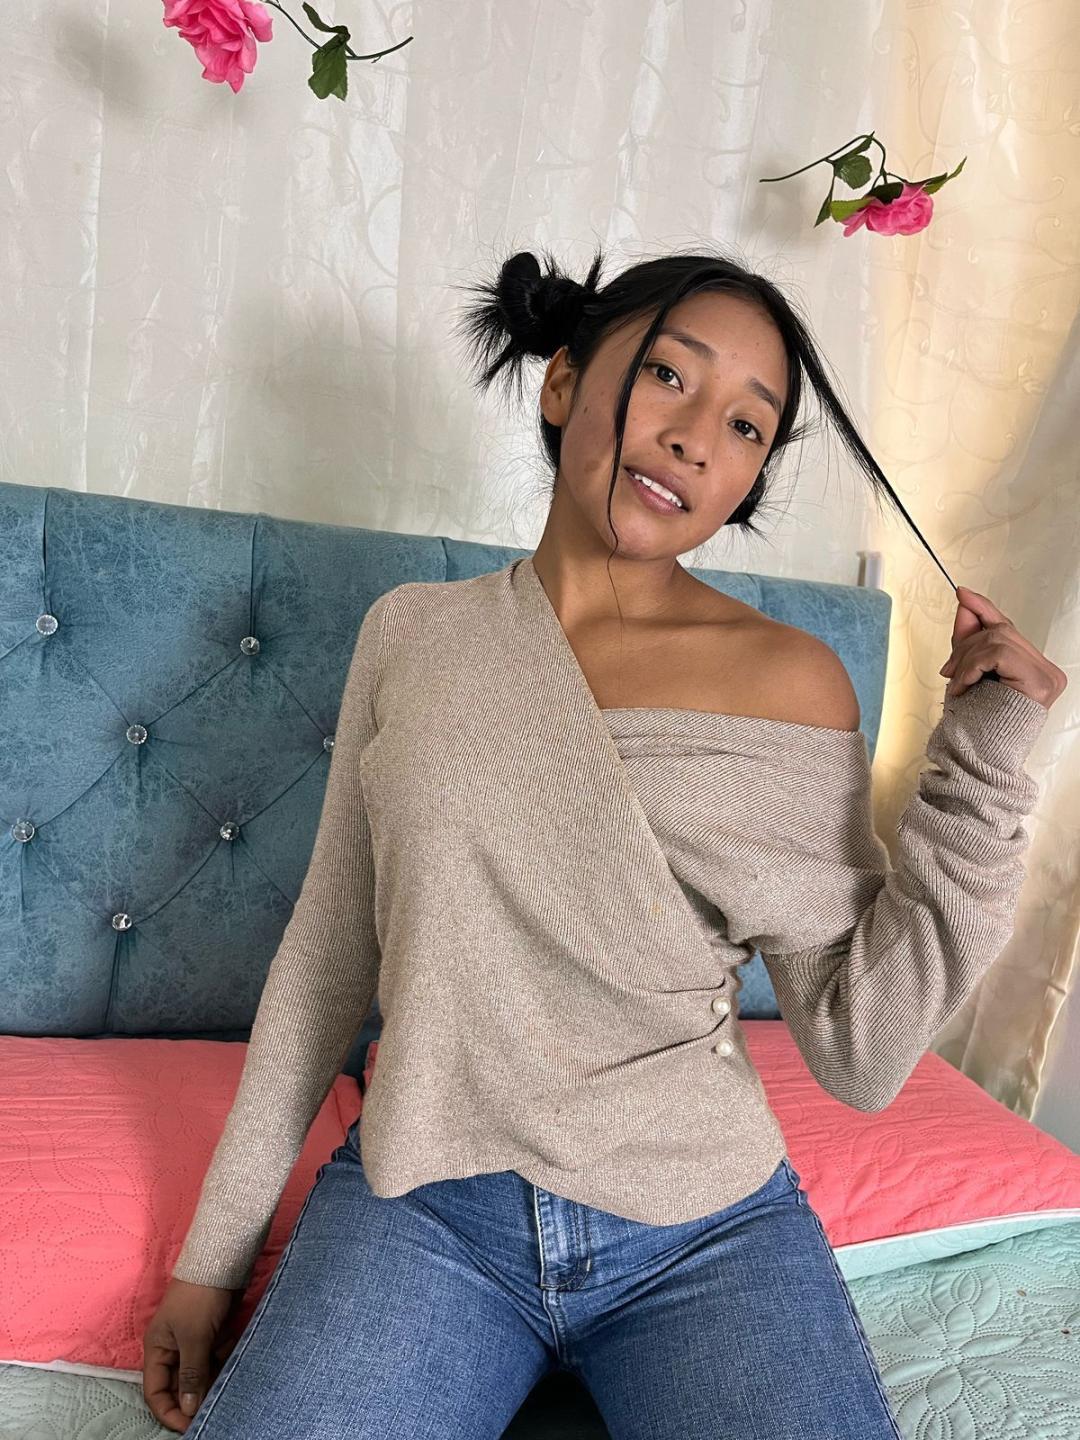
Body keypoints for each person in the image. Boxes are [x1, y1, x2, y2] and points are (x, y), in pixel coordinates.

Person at [142, 245, 1066, 1438]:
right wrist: (211, 1257)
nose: (695, 438)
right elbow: (327, 957)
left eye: (746, 425)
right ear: (565, 381)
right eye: (671, 376)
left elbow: (861, 1049)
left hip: (705, 1229)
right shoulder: (411, 635)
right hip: (423, 1205)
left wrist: (987, 761)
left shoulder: (792, 683)